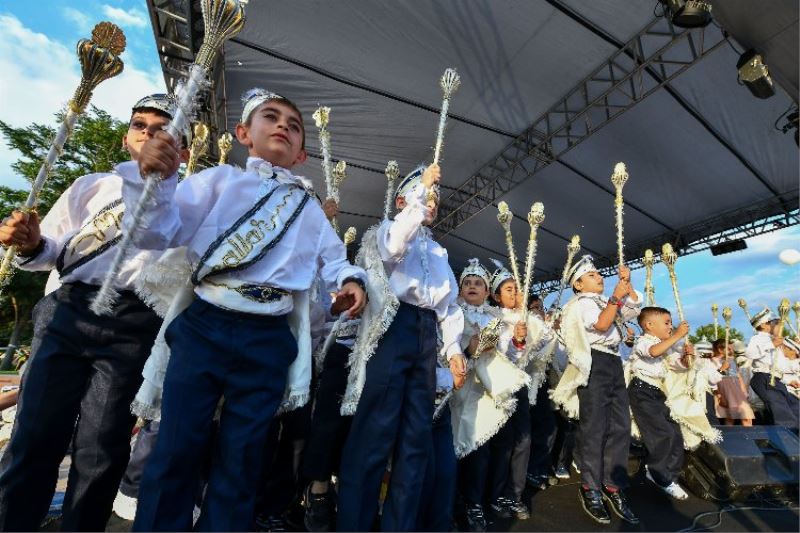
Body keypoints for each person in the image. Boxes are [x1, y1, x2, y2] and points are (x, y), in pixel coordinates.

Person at [120, 87, 367, 531]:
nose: (282, 128)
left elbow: (334, 258)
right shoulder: (218, 180)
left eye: (293, 127)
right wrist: (155, 183)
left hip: (269, 338)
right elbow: (157, 234)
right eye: (270, 117)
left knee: (243, 459)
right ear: (243, 134)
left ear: (301, 155)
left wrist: (349, 281)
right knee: (176, 448)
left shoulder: (308, 208)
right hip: (205, 323)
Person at [0, 95, 183, 531]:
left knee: (101, 446)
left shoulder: (191, 196)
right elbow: (54, 250)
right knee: (34, 433)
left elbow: (160, 236)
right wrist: (29, 243)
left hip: (134, 321)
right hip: (68, 310)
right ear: (126, 138)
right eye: (140, 125)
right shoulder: (90, 186)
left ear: (184, 149)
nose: (149, 134)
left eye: (163, 128)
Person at [336, 164, 466, 532]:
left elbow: (449, 305)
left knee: (415, 443)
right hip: (392, 330)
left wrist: (453, 348)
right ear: (401, 200)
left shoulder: (439, 252)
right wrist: (422, 191)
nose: (432, 201)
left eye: (435, 198)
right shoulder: (384, 232)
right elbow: (394, 247)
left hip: (427, 337)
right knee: (373, 438)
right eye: (425, 193)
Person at [550, 255, 642, 525]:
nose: (599, 277)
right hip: (595, 362)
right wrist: (615, 296)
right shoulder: (580, 304)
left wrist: (627, 283)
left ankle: (612, 484)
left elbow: (632, 309)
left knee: (621, 427)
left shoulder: (603, 301)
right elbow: (602, 324)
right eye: (592, 275)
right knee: (594, 429)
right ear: (577, 284)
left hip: (613, 362)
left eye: (600, 273)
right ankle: (591, 487)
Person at [628, 307, 691, 500]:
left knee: (675, 434)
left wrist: (687, 358)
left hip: (658, 393)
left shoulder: (667, 345)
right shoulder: (643, 341)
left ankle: (667, 476)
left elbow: (677, 366)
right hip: (641, 391)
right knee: (661, 434)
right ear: (649, 325)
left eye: (671, 323)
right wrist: (677, 336)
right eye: (666, 323)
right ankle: (657, 472)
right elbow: (653, 352)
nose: (670, 326)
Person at [745, 308, 800, 428]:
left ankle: (790, 439)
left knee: (796, 408)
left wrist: (789, 379)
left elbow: (780, 366)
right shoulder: (758, 338)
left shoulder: (773, 340)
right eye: (775, 323)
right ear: (764, 325)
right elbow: (749, 353)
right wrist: (771, 345)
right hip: (764, 379)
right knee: (783, 415)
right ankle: (787, 443)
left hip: (775, 380)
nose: (779, 326)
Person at [710, 339, 755, 426]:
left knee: (746, 415)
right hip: (726, 388)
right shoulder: (713, 361)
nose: (732, 351)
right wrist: (718, 393)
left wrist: (744, 391)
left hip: (736, 388)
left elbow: (738, 376)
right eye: (729, 349)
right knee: (730, 416)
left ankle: (748, 435)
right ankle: (731, 436)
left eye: (732, 348)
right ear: (720, 349)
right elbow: (713, 378)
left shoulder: (731, 360)